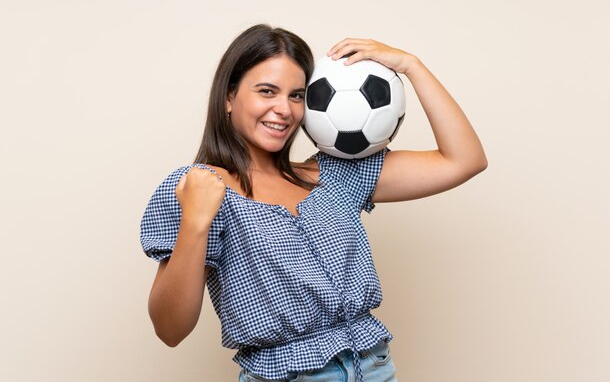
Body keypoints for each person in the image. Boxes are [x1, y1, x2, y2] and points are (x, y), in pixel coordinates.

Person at [140, 24, 487, 382]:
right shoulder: (200, 188)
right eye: (266, 91)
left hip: (375, 369)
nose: (283, 110)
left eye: (296, 96)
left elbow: (464, 160)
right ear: (229, 97)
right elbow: (170, 329)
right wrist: (195, 222)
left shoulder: (333, 175)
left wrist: (411, 66)